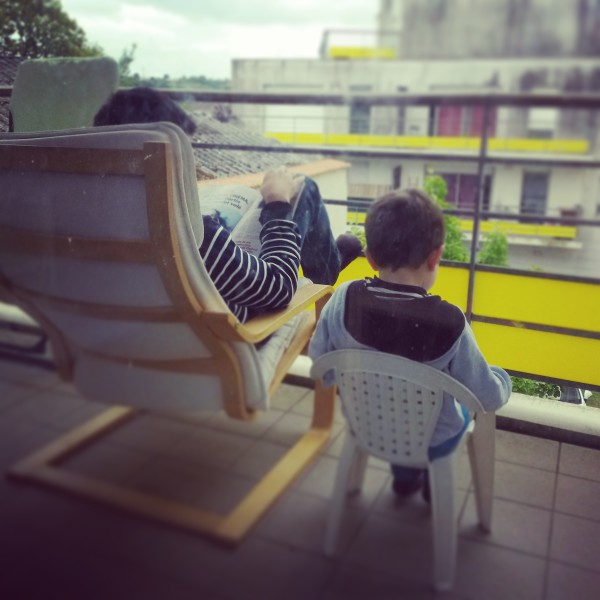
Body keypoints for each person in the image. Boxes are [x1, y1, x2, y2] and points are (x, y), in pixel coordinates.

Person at [308, 188, 511, 499]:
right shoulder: (450, 322)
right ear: (435, 256)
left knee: (396, 402)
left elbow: (320, 361)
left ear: (371, 258)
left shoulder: (343, 298)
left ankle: (404, 477)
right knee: (449, 411)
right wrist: (502, 380)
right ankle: (432, 482)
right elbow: (487, 397)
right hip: (431, 439)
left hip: (366, 425)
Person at [93, 88, 363, 322]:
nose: (189, 163)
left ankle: (331, 264)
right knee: (303, 187)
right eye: (185, 153)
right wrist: (277, 205)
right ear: (164, 158)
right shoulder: (186, 232)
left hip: (123, 342)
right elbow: (278, 289)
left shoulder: (83, 221)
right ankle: (328, 272)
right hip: (226, 336)